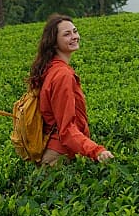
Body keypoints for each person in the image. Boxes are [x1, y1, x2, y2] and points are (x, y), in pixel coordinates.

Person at [28, 13, 114, 166]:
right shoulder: (62, 75)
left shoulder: (52, 69)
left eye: (75, 31)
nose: (74, 36)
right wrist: (96, 151)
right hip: (59, 157)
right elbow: (66, 130)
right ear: (54, 42)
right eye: (67, 34)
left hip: (56, 151)